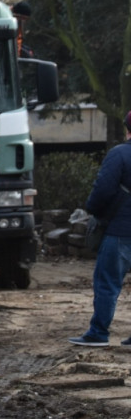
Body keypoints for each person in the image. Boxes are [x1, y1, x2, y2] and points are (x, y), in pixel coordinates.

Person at [68, 111, 131, 347]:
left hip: (120, 231)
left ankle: (99, 333)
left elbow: (102, 191)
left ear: (127, 130)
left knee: (107, 283)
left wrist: (93, 210)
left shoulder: (120, 154)